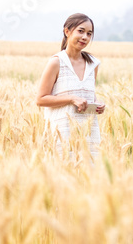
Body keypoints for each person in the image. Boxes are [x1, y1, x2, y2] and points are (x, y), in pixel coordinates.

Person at [36, 13, 105, 160]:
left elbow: (89, 96)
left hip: (89, 135)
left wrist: (98, 104)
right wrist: (71, 99)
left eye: (89, 34)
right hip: (61, 135)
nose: (85, 37)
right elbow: (41, 99)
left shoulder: (93, 64)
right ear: (67, 31)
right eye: (80, 31)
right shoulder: (56, 62)